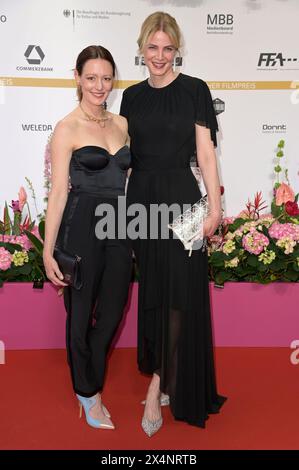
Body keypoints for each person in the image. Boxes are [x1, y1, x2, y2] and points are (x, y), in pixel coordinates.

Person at [120, 12, 226, 435]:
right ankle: (163, 372)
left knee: (180, 291)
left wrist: (215, 208)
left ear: (176, 49)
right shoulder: (130, 97)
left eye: (167, 48)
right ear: (142, 48)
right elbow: (126, 157)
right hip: (142, 201)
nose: (160, 56)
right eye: (152, 48)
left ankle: (157, 387)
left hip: (184, 200)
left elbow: (205, 153)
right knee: (155, 290)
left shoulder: (195, 90)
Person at [43, 45, 132, 430]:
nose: (100, 85)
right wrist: (48, 252)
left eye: (107, 77)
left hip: (120, 225)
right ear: (77, 77)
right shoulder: (67, 127)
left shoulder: (122, 124)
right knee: (79, 315)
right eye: (92, 77)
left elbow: (130, 179)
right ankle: (87, 391)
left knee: (113, 311)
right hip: (80, 227)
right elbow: (59, 192)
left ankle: (90, 377)